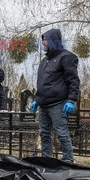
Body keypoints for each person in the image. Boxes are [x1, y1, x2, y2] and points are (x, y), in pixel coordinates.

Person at [31, 29, 80, 163]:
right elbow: (42, 83)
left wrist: (71, 100)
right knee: (44, 134)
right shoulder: (44, 60)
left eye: (46, 40)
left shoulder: (67, 57)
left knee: (62, 133)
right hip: (43, 104)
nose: (43, 43)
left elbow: (73, 80)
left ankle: (68, 160)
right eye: (43, 40)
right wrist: (36, 99)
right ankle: (48, 161)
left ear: (53, 40)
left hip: (58, 104)